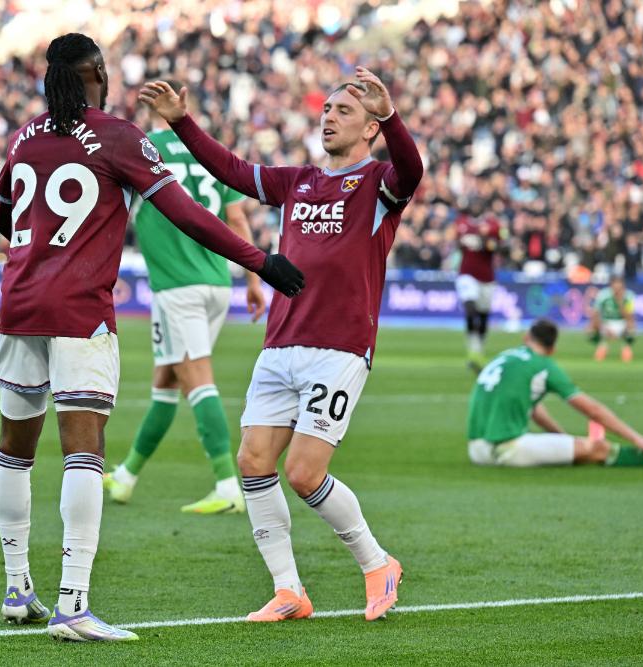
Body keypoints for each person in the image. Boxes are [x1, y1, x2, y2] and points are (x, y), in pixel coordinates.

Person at [0, 33, 303, 642]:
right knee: (83, 449)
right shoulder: (117, 136)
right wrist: (259, 261)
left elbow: (4, 213)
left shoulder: (24, 136)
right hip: (78, 308)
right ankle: (72, 604)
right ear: (99, 75)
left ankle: (15, 585)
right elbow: (184, 211)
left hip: (20, 302)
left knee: (14, 446)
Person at [141, 66, 423, 622]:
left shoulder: (378, 184)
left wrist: (392, 116)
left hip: (339, 347)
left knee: (304, 472)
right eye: (327, 110)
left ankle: (376, 563)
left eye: (344, 111)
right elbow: (235, 172)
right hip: (280, 343)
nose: (329, 117)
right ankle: (289, 589)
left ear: (369, 129)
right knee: (253, 461)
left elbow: (412, 169)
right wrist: (183, 124)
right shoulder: (299, 181)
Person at [105, 88, 267, 515]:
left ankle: (229, 485)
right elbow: (237, 217)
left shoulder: (144, 148)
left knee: (197, 378)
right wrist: (252, 280)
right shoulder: (211, 152)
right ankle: (126, 476)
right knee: (167, 380)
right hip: (216, 282)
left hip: (177, 286)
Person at [467, 319, 643, 468]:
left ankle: (575, 448)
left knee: (580, 448)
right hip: (505, 450)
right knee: (597, 449)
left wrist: (561, 440)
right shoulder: (543, 366)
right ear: (552, 349)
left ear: (526, 337)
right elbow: (592, 410)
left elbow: (532, 407)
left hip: (476, 450)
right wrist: (639, 439)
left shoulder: (505, 357)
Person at [455, 205, 504, 372]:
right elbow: (459, 243)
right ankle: (472, 351)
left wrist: (484, 240)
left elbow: (498, 246)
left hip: (486, 277)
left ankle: (478, 350)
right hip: (467, 274)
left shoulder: (493, 225)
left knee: (483, 316)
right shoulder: (462, 223)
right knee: (470, 309)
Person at [588, 276, 636, 362]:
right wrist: (604, 328)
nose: (617, 290)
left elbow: (630, 317)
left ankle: (626, 347)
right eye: (615, 287)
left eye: (619, 287)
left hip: (621, 322)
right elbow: (595, 314)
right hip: (606, 323)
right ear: (611, 286)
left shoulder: (629, 296)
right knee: (591, 327)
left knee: (632, 324)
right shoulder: (603, 295)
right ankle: (602, 346)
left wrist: (620, 302)